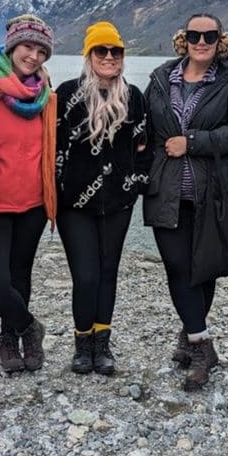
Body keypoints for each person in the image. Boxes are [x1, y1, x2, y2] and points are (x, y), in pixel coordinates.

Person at [143, 13, 228, 391]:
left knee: (202, 269)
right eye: (194, 35)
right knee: (177, 265)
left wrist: (191, 143)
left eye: (209, 35)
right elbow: (144, 128)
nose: (201, 41)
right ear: (183, 39)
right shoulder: (160, 78)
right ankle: (202, 343)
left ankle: (191, 335)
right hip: (166, 190)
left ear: (220, 39)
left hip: (214, 192)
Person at [56, 21, 148, 375]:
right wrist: (57, 189)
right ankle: (82, 344)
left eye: (116, 51)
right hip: (75, 204)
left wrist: (136, 185)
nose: (109, 57)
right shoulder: (67, 95)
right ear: (89, 56)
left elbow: (143, 148)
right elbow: (54, 147)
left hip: (119, 202)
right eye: (101, 51)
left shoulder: (134, 97)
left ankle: (102, 345)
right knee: (86, 275)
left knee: (109, 271)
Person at [0, 14, 57, 373]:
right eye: (27, 47)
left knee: (20, 274)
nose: (33, 56)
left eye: (41, 51)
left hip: (33, 203)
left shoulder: (47, 97)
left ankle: (11, 338)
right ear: (11, 46)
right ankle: (28, 326)